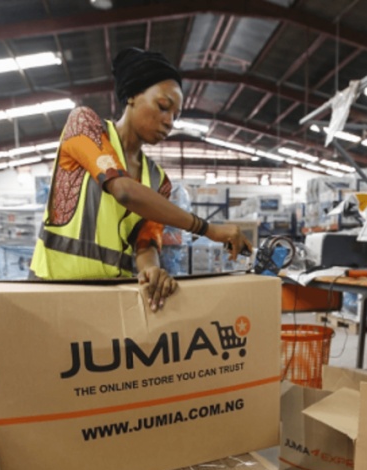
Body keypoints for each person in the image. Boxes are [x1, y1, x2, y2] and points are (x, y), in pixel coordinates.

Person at [29, 48, 251, 311]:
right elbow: (123, 190)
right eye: (163, 107)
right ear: (133, 95)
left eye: (175, 116)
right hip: (52, 291)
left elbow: (146, 244)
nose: (169, 122)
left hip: (111, 300)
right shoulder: (84, 126)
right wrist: (209, 229)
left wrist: (152, 270)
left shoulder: (158, 180)